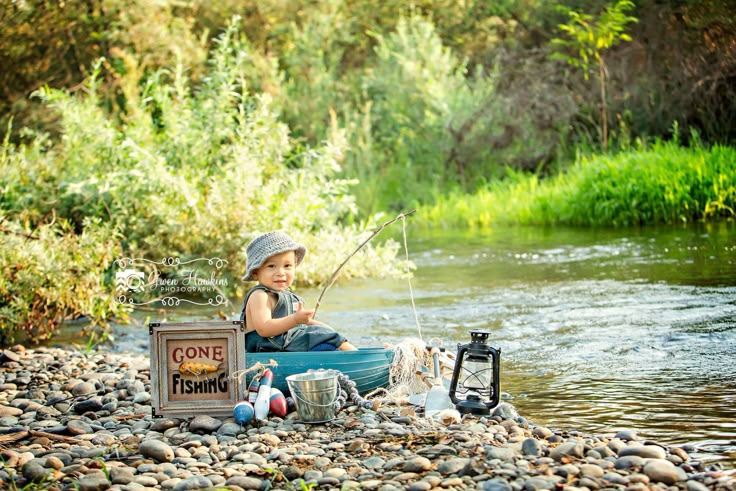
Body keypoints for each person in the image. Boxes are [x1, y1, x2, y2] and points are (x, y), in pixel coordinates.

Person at [240, 230, 357, 352]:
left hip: (286, 345)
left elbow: (303, 323)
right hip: (266, 349)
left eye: (287, 266)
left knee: (327, 335)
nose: (281, 273)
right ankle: (356, 358)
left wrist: (326, 329)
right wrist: (295, 320)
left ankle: (352, 355)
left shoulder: (288, 295)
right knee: (324, 337)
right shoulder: (260, 296)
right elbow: (264, 329)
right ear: (255, 272)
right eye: (271, 266)